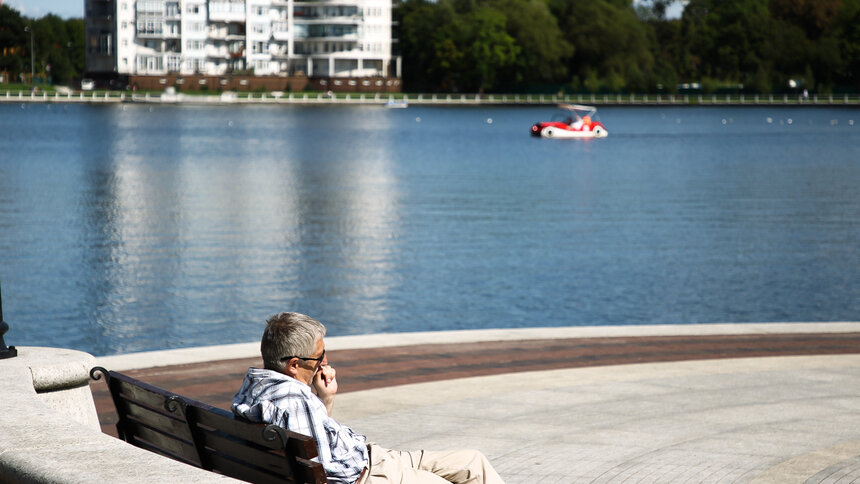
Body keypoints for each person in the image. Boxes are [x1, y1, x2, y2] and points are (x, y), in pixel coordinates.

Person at [232, 312, 505, 484]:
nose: (324, 361)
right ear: (293, 364)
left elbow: (310, 447)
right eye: (318, 357)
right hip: (368, 474)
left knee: (473, 462)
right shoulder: (293, 401)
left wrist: (324, 398)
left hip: (372, 456)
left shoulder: (254, 386)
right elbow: (326, 473)